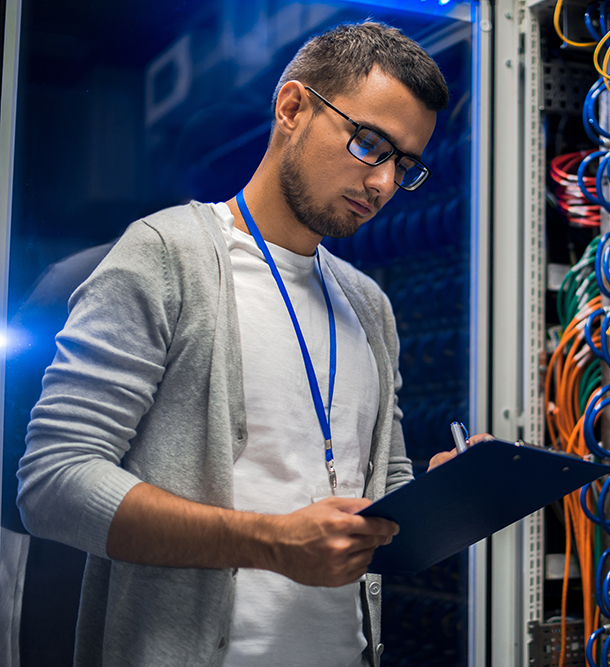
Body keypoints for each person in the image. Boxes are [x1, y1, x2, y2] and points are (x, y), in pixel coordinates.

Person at [16, 21, 470, 667]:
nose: (383, 184)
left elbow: (376, 488)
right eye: (369, 144)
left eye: (405, 163)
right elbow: (55, 484)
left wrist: (434, 494)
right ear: (292, 107)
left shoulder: (368, 304)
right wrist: (270, 542)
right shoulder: (168, 254)